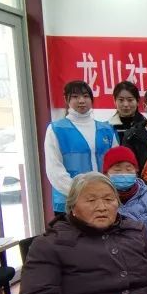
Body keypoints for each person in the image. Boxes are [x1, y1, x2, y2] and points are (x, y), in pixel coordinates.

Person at [44, 80, 117, 215]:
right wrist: (79, 193)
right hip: (69, 201)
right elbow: (54, 169)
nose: (81, 101)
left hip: (103, 200)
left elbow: (116, 164)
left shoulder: (106, 129)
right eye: (75, 97)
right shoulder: (56, 129)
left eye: (85, 96)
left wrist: (105, 192)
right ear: (66, 99)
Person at [102, 146, 147, 238]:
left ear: (136, 172)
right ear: (106, 174)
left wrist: (144, 243)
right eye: (117, 170)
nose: (123, 174)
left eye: (128, 169)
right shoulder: (99, 198)